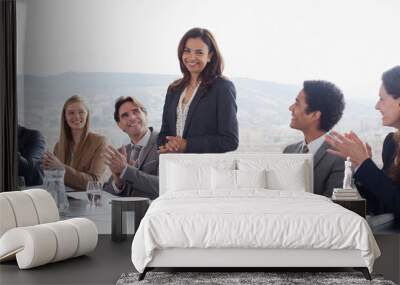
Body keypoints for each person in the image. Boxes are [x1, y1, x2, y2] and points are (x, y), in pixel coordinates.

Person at [326, 66, 400, 225]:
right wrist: (360, 166)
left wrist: (366, 165)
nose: (376, 106)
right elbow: (381, 206)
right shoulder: (391, 144)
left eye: (382, 99)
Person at [158, 27, 238, 153]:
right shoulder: (174, 89)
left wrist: (187, 145)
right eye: (187, 51)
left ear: (209, 56)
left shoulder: (222, 88)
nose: (191, 57)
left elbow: (230, 140)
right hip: (174, 167)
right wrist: (168, 145)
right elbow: (164, 134)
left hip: (204, 169)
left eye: (199, 52)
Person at [283, 80, 346, 197]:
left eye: (297, 103)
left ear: (314, 115)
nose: (290, 108)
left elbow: (334, 206)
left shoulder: (340, 157)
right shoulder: (289, 151)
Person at [42, 95, 107, 191]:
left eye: (81, 112)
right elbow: (55, 182)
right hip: (63, 200)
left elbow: (94, 182)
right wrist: (48, 168)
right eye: (71, 113)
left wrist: (61, 168)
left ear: (87, 115)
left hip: (88, 201)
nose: (76, 116)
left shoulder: (99, 142)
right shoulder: (58, 146)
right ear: (65, 117)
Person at [103, 96, 159, 200]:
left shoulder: (165, 143)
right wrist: (118, 183)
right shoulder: (122, 152)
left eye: (135, 111)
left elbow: (165, 186)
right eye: (125, 115)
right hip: (126, 214)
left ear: (145, 115)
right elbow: (106, 192)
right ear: (119, 125)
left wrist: (126, 170)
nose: (132, 117)